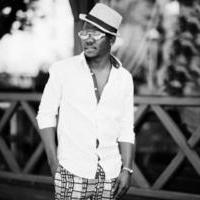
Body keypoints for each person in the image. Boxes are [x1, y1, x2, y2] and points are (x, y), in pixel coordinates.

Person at [36, 3, 135, 200]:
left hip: (110, 173)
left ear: (111, 40)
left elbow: (125, 126)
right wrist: (53, 163)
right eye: (85, 34)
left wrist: (127, 169)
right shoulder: (62, 70)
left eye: (97, 35)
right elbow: (46, 115)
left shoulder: (124, 78)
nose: (88, 40)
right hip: (71, 170)